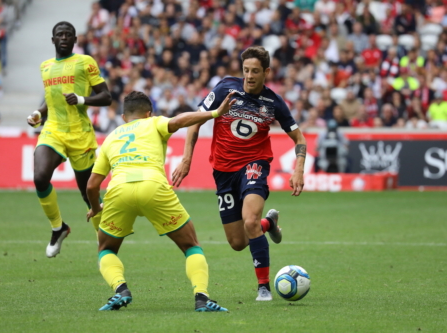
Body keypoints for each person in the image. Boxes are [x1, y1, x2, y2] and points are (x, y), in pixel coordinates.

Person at [172, 46, 306, 301]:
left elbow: (299, 137)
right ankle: (269, 224)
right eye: (246, 70)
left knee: (250, 220)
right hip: (223, 171)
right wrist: (187, 158)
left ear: (266, 72)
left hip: (254, 164)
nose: (250, 76)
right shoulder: (225, 89)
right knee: (237, 242)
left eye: (255, 71)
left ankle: (264, 287)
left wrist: (298, 169)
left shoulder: (273, 102)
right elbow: (196, 121)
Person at [86, 90, 235, 312]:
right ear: (148, 113)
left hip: (119, 192)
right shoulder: (153, 123)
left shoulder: (111, 137)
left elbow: (91, 186)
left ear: (124, 116)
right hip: (153, 187)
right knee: (191, 245)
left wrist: (97, 207)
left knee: (106, 249)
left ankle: (120, 290)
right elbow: (178, 121)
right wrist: (215, 113)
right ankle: (202, 299)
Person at [26, 22, 112, 258]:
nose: (64, 38)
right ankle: (58, 228)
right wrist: (38, 114)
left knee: (88, 193)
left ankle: (104, 242)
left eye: (68, 35)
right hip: (53, 129)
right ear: (52, 40)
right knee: (40, 177)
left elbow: (106, 97)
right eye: (59, 35)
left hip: (79, 134)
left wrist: (82, 100)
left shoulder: (85, 62)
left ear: (74, 40)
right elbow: (51, 100)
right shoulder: (45, 67)